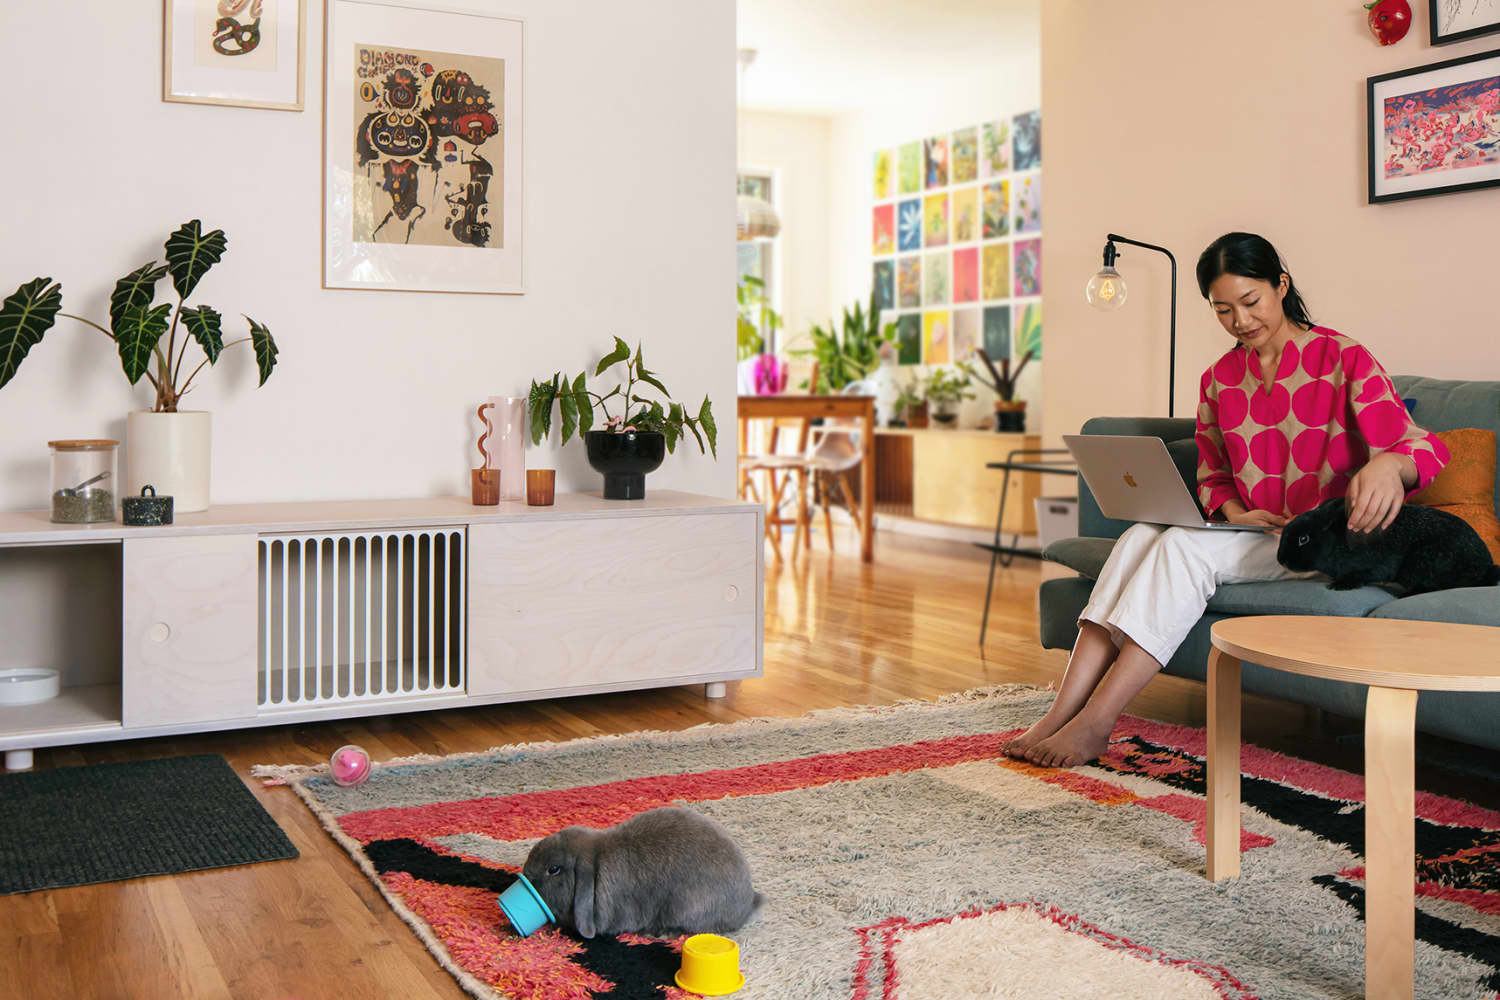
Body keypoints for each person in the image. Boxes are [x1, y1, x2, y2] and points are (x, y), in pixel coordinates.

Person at [1002, 232, 1449, 768]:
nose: (1240, 320)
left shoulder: (1343, 358)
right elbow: (1213, 476)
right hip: (1257, 533)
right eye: (1222, 310)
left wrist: (1389, 464)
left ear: (1281, 285)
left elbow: (1423, 448)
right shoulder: (1219, 379)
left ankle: (1097, 723)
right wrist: (1236, 512)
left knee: (1182, 549)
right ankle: (1059, 714)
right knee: (1140, 536)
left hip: (1326, 542)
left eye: (1251, 301)